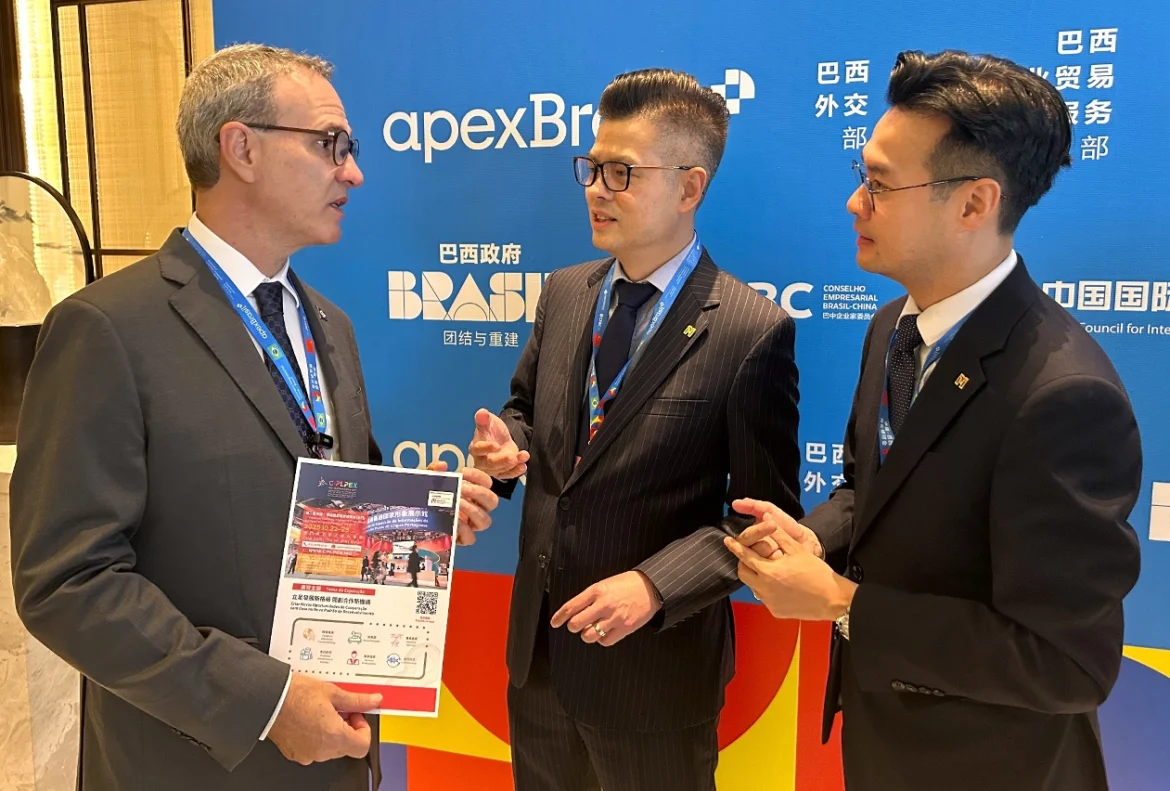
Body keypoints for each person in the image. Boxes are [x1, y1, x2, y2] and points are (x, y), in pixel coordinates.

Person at [9, 43, 498, 791]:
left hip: (339, 749)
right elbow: (67, 581)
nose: (354, 173)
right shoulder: (107, 329)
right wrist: (264, 702)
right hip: (194, 764)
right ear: (240, 147)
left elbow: (331, 504)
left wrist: (419, 516)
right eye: (331, 144)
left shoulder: (329, 325)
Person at [723, 50, 1142, 791]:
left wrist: (842, 603)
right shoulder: (893, 326)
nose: (854, 203)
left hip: (994, 766)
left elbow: (1065, 661)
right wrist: (816, 538)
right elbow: (871, 490)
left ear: (974, 203)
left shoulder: (1063, 394)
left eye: (880, 184)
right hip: (882, 741)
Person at [469, 68, 801, 791]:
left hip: (654, 678)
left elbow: (764, 521)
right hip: (540, 658)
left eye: (622, 173)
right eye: (591, 169)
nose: (596, 189)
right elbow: (527, 412)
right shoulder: (565, 292)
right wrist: (507, 448)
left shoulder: (750, 330)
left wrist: (656, 584)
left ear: (689, 187)